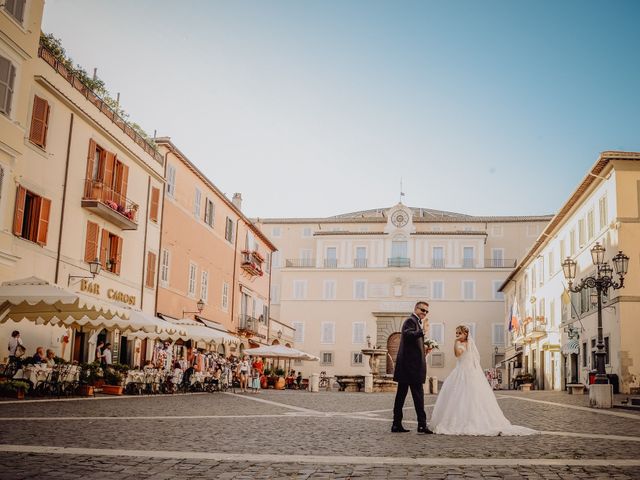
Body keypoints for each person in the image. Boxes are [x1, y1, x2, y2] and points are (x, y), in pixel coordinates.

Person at [429, 325, 537, 436]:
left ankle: (469, 421)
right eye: (456, 333)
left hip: (466, 372)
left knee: (468, 397)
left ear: (466, 334)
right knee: (461, 396)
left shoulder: (463, 344)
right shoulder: (470, 344)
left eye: (459, 333)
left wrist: (455, 343)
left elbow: (457, 354)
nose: (457, 335)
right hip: (464, 371)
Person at [392, 301, 432, 434]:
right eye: (422, 310)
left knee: (405, 397)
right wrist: (423, 331)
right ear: (416, 308)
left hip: (410, 367)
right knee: (414, 397)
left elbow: (412, 344)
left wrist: (425, 350)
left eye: (426, 311)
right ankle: (421, 425)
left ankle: (397, 425)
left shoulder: (416, 322)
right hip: (409, 368)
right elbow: (408, 335)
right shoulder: (410, 320)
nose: (424, 313)